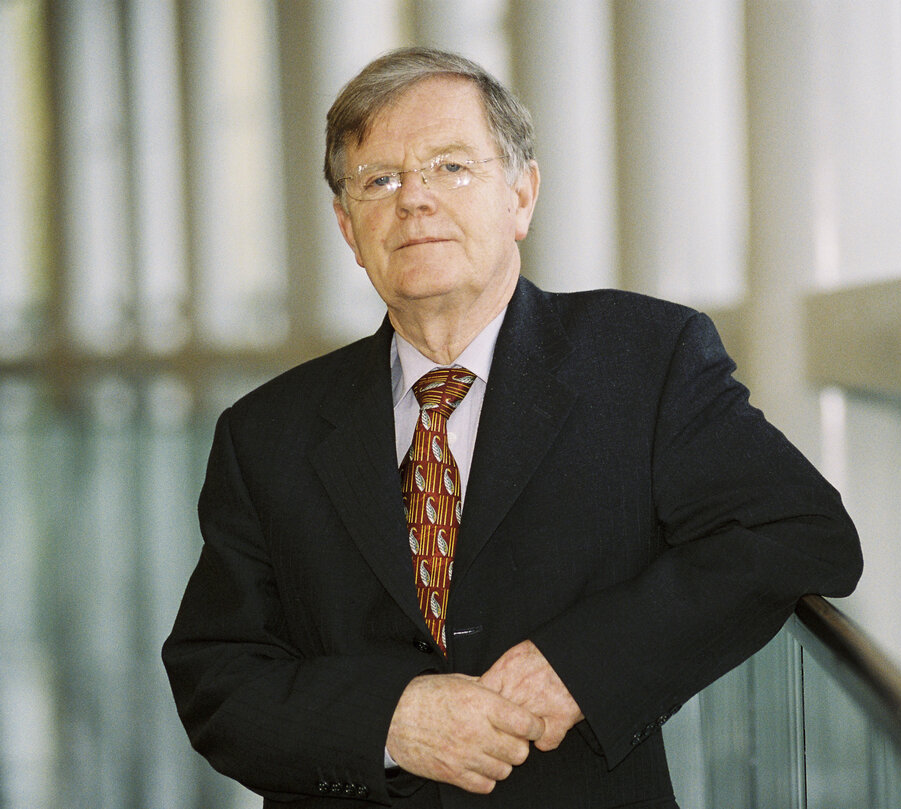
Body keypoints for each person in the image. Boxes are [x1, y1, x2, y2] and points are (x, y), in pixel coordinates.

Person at [162, 46, 861, 809]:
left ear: (521, 195)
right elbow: (217, 674)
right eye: (380, 180)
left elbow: (799, 530)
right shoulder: (264, 432)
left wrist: (580, 666)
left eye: (451, 167)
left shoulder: (644, 360)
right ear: (347, 226)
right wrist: (391, 721)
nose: (414, 201)